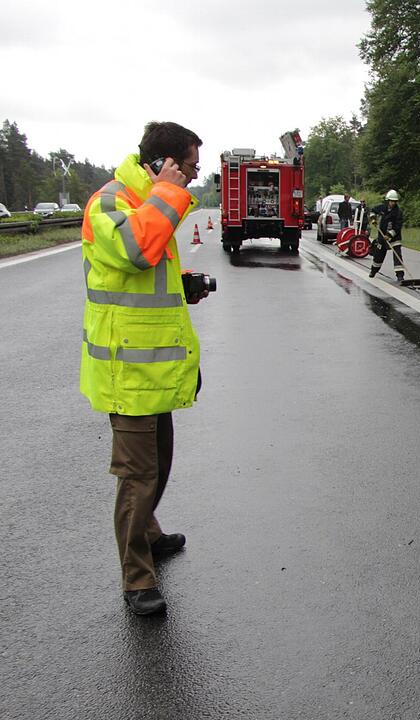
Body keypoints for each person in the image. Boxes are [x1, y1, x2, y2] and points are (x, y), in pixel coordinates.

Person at [80, 121, 210, 616]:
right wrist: (167, 194)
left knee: (160, 464)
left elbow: (146, 268)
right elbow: (134, 250)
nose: (193, 180)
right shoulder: (110, 203)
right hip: (125, 374)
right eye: (190, 168)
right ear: (164, 164)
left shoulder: (149, 203)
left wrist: (184, 283)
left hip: (152, 373)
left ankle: (150, 534)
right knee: (137, 477)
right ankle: (137, 577)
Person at [368, 189, 405, 281]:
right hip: (382, 236)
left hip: (394, 237)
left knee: (397, 255)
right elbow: (372, 211)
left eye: (394, 201)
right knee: (379, 254)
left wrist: (389, 235)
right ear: (388, 201)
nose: (392, 203)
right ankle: (374, 270)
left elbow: (397, 227)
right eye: (391, 201)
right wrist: (373, 219)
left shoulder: (398, 212)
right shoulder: (382, 207)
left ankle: (400, 275)